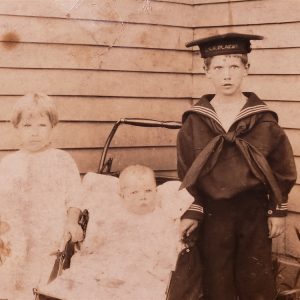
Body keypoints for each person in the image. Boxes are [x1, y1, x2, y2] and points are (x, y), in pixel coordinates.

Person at [177, 33, 297, 300]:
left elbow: (282, 168)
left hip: (253, 212)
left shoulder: (264, 121)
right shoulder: (195, 122)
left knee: (255, 281)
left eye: (234, 67)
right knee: (215, 280)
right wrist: (193, 209)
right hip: (212, 214)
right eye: (218, 67)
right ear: (205, 71)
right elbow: (186, 171)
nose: (226, 75)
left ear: (246, 69)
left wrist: (277, 210)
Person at [39, 165, 190, 300]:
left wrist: (160, 269)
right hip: (111, 258)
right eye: (134, 192)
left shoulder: (161, 218)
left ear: (156, 191)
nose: (143, 196)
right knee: (87, 273)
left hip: (143, 264)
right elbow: (98, 241)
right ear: (122, 196)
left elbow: (168, 248)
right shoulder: (114, 215)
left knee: (141, 285)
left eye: (148, 190)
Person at [0, 93, 84, 300]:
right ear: (17, 128)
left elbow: (75, 199)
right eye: (27, 126)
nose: (35, 133)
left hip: (49, 235)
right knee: (11, 282)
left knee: (42, 284)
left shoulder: (62, 160)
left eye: (42, 125)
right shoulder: (9, 163)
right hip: (15, 236)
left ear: (53, 128)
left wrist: (72, 222)